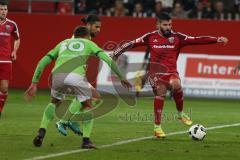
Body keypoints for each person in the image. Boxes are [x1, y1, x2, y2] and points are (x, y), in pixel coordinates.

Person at [111, 12, 228, 138]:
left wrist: (217, 39)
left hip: (172, 72)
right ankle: (157, 127)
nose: (168, 27)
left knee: (177, 84)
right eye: (165, 25)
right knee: (161, 91)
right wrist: (116, 53)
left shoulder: (178, 37)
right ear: (158, 24)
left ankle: (180, 113)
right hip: (155, 74)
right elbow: (132, 43)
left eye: (170, 24)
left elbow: (197, 40)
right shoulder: (149, 37)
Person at [25, 26, 131, 147]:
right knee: (91, 101)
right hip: (75, 76)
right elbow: (107, 59)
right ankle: (86, 140)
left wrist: (34, 83)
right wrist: (121, 77)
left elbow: (42, 62)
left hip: (56, 77)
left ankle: (41, 132)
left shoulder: (63, 43)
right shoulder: (89, 43)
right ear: (87, 36)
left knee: (54, 101)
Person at [55, 14, 103, 149]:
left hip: (73, 75)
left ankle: (69, 121)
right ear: (88, 26)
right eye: (96, 27)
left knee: (93, 98)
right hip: (70, 76)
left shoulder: (84, 38)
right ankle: (66, 122)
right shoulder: (79, 39)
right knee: (92, 98)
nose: (99, 30)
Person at [0, 2, 20, 117]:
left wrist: (14, 51)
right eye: (1, 9)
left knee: (4, 89)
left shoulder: (12, 24)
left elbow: (17, 39)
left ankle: (0, 110)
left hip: (5, 60)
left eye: (5, 9)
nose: (3, 11)